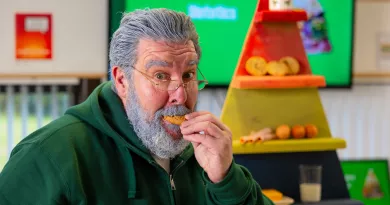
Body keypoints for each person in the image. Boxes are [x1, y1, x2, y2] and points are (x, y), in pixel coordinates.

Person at [0, 8, 274, 205]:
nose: (180, 95)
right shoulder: (49, 156)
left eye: (189, 75)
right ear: (122, 81)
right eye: (160, 76)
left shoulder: (204, 155)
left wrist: (226, 179)